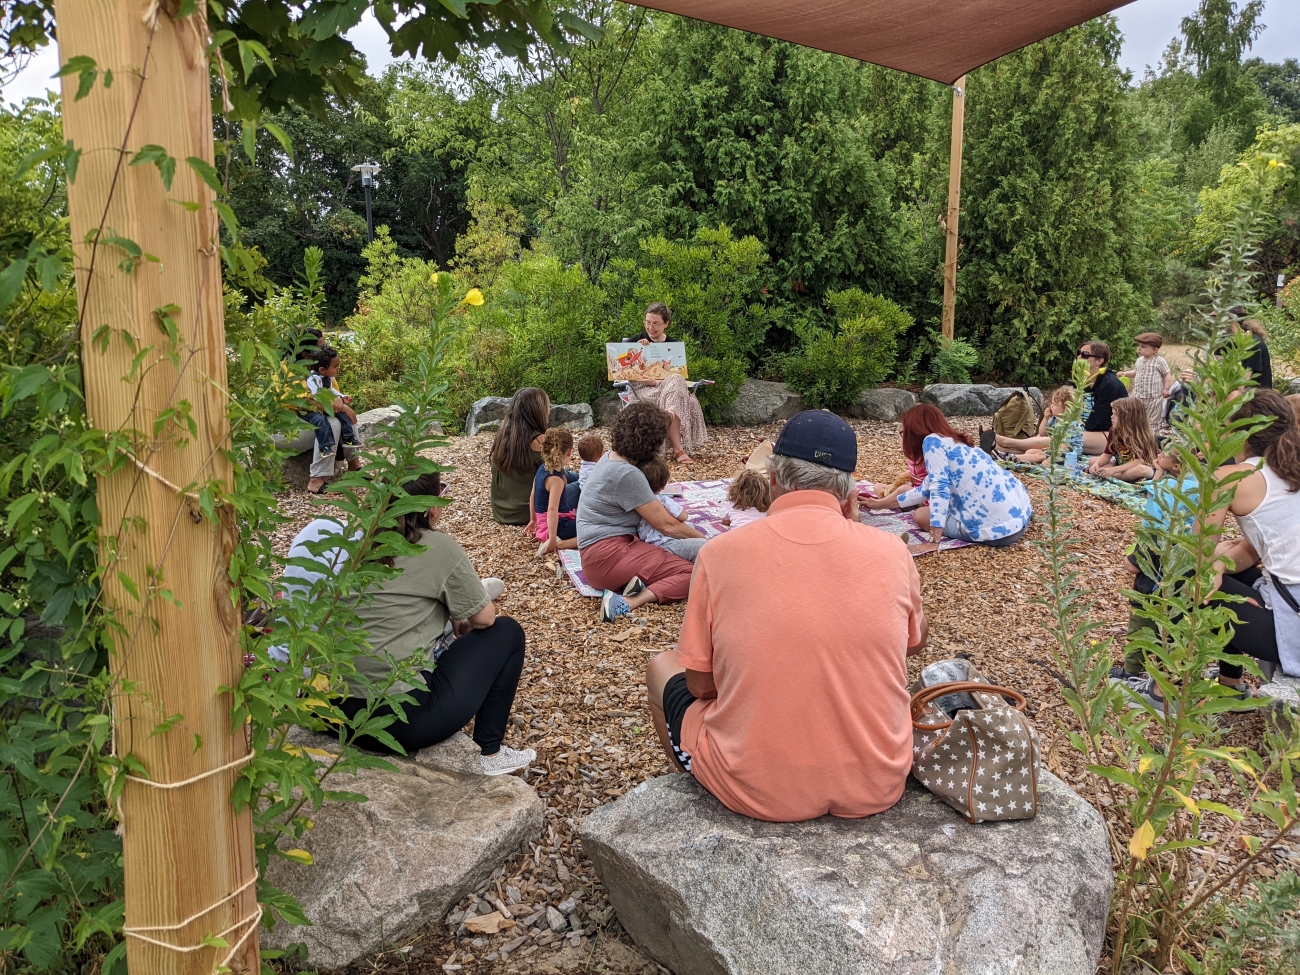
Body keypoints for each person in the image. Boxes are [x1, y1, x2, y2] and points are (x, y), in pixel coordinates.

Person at [645, 411, 928, 822]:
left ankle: (694, 793)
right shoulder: (892, 552)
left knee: (661, 667)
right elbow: (914, 643)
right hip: (876, 782)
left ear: (774, 478)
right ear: (849, 491)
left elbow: (701, 685)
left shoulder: (720, 555)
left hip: (758, 790)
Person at [286, 472, 535, 775]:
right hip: (397, 721)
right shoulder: (438, 546)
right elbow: (485, 619)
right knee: (508, 632)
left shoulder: (355, 542)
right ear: (432, 507)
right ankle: (489, 753)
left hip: (327, 709)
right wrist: (459, 612)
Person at [1200, 391, 1300, 690]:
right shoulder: (1290, 470)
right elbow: (1252, 551)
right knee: (1226, 572)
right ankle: (1230, 682)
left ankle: (1162, 690)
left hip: (1293, 627)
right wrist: (1219, 564)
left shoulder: (1229, 478)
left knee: (1178, 573)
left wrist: (1211, 564)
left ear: (1239, 434)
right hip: (1291, 602)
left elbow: (1198, 553)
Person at [576, 401, 705, 623]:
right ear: (653, 440)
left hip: (600, 554)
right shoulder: (627, 474)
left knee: (685, 557)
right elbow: (667, 525)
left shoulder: (610, 457)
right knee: (696, 571)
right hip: (607, 557)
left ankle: (638, 582)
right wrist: (705, 540)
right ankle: (629, 601)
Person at [863, 404, 1032, 547]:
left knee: (921, 515)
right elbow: (925, 489)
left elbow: (939, 491)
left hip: (997, 533)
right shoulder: (957, 443)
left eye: (903, 433)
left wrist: (933, 541)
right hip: (1019, 520)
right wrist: (879, 504)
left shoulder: (931, 442)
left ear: (913, 432)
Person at [624, 302, 708, 464]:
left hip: (666, 387)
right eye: (648, 322)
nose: (650, 327)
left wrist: (656, 382)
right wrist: (636, 351)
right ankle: (678, 449)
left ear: (666, 324)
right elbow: (625, 372)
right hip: (641, 389)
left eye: (656, 323)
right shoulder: (635, 342)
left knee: (676, 379)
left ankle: (670, 416)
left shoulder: (673, 346)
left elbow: (676, 374)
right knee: (677, 391)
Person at [304, 345, 362, 494]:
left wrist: (341, 398)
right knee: (332, 423)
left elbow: (331, 390)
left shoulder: (327, 377)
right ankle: (316, 479)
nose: (338, 369)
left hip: (326, 407)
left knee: (348, 417)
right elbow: (315, 397)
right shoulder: (311, 378)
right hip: (308, 413)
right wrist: (337, 404)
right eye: (335, 366)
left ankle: (354, 462)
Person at [490, 388, 550, 528]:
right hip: (528, 513)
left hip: (500, 512)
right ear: (537, 412)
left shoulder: (503, 437)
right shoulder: (540, 441)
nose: (550, 411)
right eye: (547, 406)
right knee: (577, 487)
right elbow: (557, 478)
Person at [636, 456, 707, 563]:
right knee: (702, 546)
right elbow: (683, 516)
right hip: (664, 544)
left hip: (645, 542)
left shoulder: (636, 499)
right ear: (663, 485)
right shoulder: (663, 500)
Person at [996, 386, 1082, 464]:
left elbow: (1064, 447)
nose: (1051, 406)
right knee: (1030, 451)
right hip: (1053, 449)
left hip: (1068, 455)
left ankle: (1007, 457)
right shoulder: (1055, 419)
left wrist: (1051, 459)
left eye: (1054, 404)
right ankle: (1008, 454)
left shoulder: (1070, 425)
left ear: (1066, 409)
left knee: (1040, 456)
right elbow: (1042, 433)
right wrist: (1045, 418)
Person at [1087, 397, 1159, 482]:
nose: (1111, 417)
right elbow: (1107, 455)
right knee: (1092, 461)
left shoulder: (1141, 436)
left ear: (1127, 418)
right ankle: (1119, 475)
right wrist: (1096, 464)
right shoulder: (1114, 431)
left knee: (1141, 470)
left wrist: (1113, 470)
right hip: (1121, 467)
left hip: (1141, 467)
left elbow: (1139, 462)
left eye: (1115, 414)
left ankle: (1115, 476)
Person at [1078, 340, 1129, 456]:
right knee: (1055, 436)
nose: (1079, 357)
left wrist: (1072, 432)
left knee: (1063, 439)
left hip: (1111, 436)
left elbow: (1096, 421)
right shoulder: (1080, 379)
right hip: (1087, 433)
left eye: (1085, 354)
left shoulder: (1109, 385)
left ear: (1099, 361)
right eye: (1079, 353)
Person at [535, 428, 581, 555]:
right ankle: (560, 544)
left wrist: (533, 521)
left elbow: (533, 494)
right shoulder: (556, 480)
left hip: (542, 524)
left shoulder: (542, 468)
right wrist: (552, 539)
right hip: (559, 528)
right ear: (569, 451)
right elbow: (552, 509)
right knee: (594, 531)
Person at [1118, 332, 1173, 433]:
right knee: (1135, 417)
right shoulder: (1139, 360)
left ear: (1154, 350)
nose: (1139, 349)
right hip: (1138, 396)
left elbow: (1166, 374)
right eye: (1139, 346)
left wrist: (1166, 389)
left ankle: (1151, 438)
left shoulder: (1159, 361)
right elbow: (1136, 372)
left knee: (1152, 421)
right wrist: (1124, 374)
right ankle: (1137, 436)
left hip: (1153, 397)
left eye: (1143, 347)